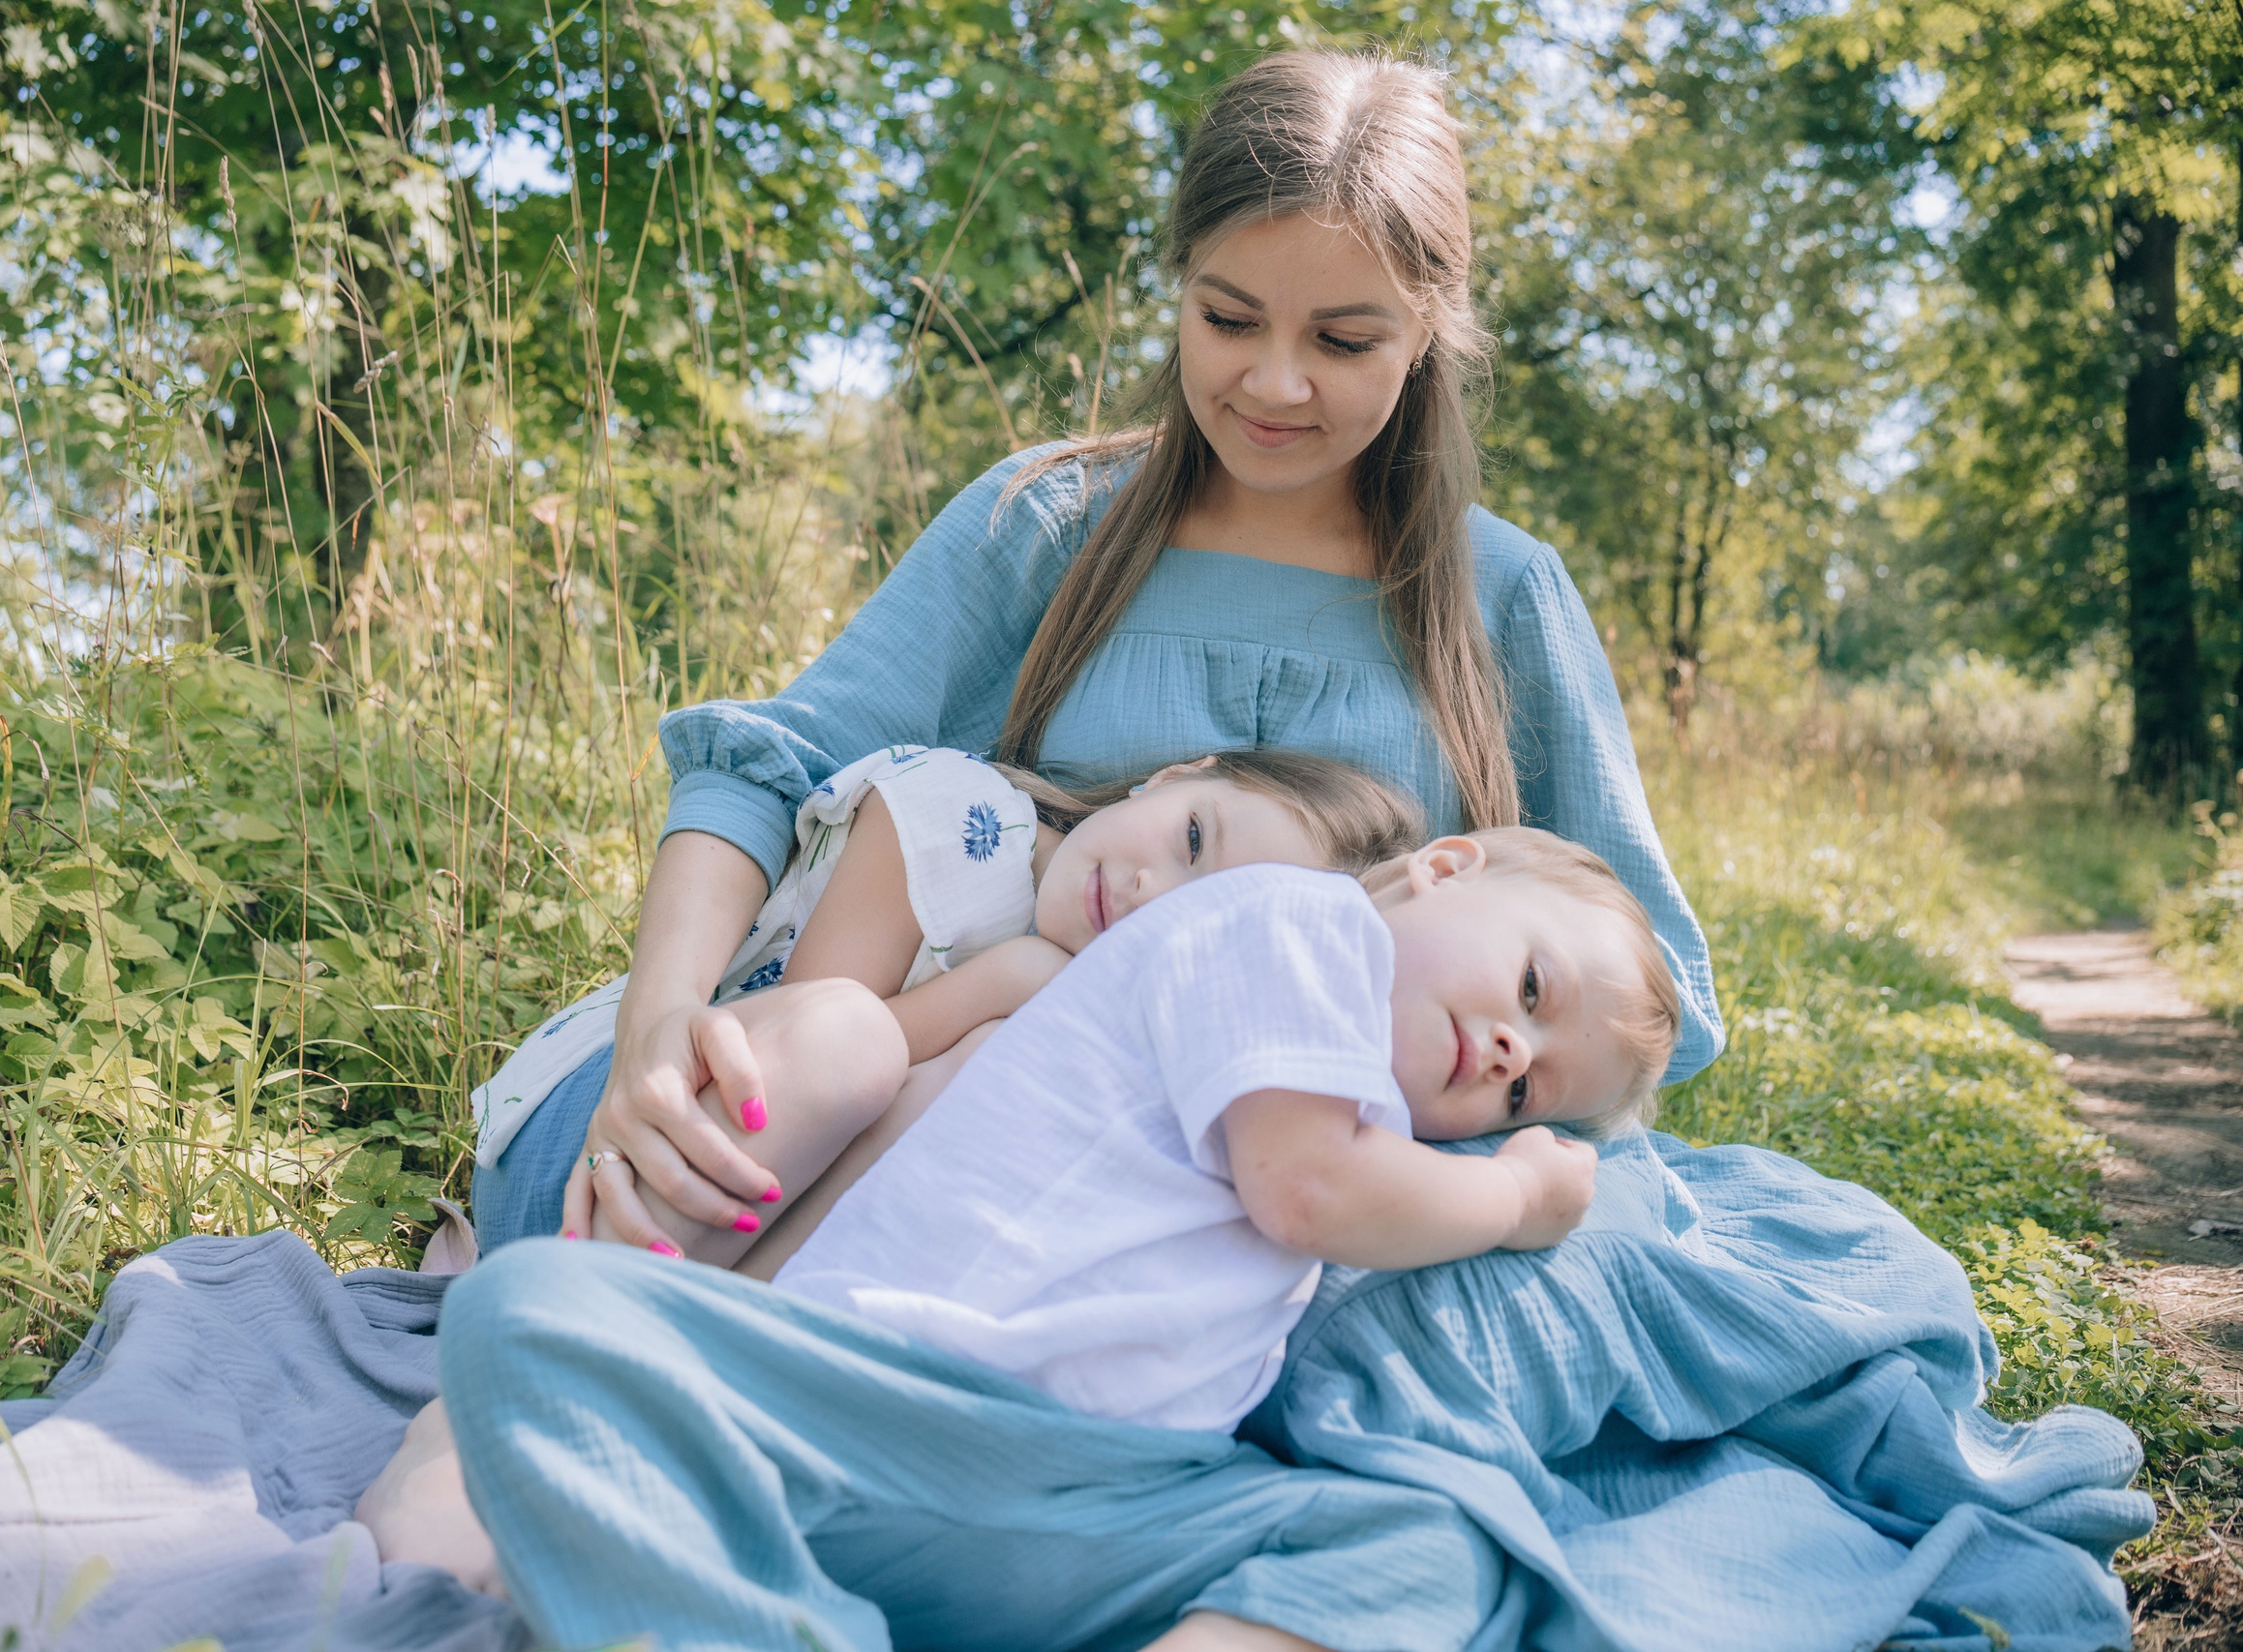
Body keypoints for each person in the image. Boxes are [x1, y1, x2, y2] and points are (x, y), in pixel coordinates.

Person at [453, 45, 1732, 1652]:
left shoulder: (1499, 599)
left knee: (1503, 1368)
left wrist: (1450, 1159)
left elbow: (1640, 997)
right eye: (1227, 317)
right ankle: (658, 1408)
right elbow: (759, 770)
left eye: (1345, 340)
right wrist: (660, 1031)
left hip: (1231, 1216)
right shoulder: (1049, 521)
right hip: (874, 1121)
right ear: (1174, 285)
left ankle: (742, 1488)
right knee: (818, 1121)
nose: (1276, 384)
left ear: (1433, 332)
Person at [383, 829, 1680, 1631]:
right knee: (528, 1310)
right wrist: (1519, 1193)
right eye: (1531, 987)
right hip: (870, 1398)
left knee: (1434, 1540)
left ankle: (737, 1602)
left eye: (1528, 1091)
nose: (1508, 1053)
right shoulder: (1294, 925)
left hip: (1094, 1493)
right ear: (1443, 867)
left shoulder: (1376, 1130)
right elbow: (1305, 1189)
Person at [548, 742, 1428, 1261]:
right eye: (1193, 838)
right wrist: (1003, 983)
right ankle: (599, 1317)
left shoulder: (1092, 1009)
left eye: (1189, 924)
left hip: (730, 1224)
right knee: (862, 1040)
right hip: (622, 1124)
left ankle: (698, 1349)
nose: (1146, 891)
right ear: (1172, 775)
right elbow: (798, 1045)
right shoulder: (956, 819)